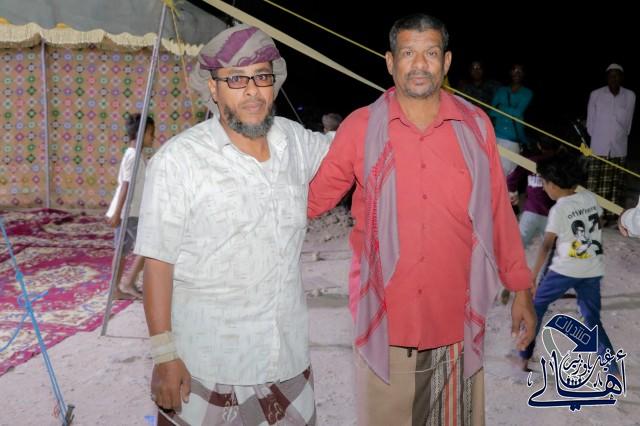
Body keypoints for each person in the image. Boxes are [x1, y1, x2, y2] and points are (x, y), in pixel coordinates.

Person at [307, 13, 536, 425]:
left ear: (446, 62)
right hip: (386, 325)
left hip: (456, 324)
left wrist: (521, 289)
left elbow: (498, 212)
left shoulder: (475, 126)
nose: (419, 64)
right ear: (390, 61)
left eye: (430, 53)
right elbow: (313, 199)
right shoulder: (361, 127)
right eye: (408, 53)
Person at [134, 24, 331, 425]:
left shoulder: (295, 142)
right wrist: (164, 355)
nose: (252, 91)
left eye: (261, 77)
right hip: (207, 364)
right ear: (213, 87)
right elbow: (158, 264)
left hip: (285, 358)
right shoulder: (178, 162)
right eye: (236, 80)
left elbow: (353, 147)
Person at [518, 154, 619, 375]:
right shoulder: (590, 197)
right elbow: (599, 222)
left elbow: (546, 246)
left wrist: (532, 276)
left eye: (544, 183)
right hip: (592, 269)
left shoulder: (559, 209)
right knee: (592, 320)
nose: (544, 188)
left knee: (535, 307)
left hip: (564, 270)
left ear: (553, 185)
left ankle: (524, 355)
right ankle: (612, 369)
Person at [499, 138, 558, 304]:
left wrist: (513, 193)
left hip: (530, 213)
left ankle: (508, 283)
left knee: (517, 249)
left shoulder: (531, 162)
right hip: (551, 217)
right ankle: (539, 287)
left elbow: (511, 179)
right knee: (549, 252)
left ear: (538, 145)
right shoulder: (558, 165)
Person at [105, 113, 155, 299]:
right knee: (150, 247)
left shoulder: (136, 155)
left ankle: (118, 287)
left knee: (123, 251)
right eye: (151, 133)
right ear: (142, 133)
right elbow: (126, 186)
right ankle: (126, 283)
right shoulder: (133, 157)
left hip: (131, 212)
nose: (153, 138)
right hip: (129, 213)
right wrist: (117, 214)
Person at [586, 63, 636, 225]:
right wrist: (600, 138)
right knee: (595, 184)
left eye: (617, 75)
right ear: (607, 77)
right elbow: (590, 124)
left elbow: (628, 125)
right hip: (598, 146)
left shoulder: (630, 96)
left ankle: (611, 217)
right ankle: (594, 214)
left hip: (618, 147)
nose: (614, 78)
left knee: (615, 185)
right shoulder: (596, 94)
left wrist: (616, 136)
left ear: (622, 77)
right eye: (611, 75)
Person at [490, 63, 533, 175]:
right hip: (496, 137)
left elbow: (518, 112)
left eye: (520, 71)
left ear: (524, 74)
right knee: (491, 173)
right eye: (514, 70)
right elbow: (492, 111)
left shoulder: (527, 93)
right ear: (510, 72)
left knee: (505, 176)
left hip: (513, 139)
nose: (517, 73)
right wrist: (508, 111)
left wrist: (500, 107)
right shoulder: (501, 90)